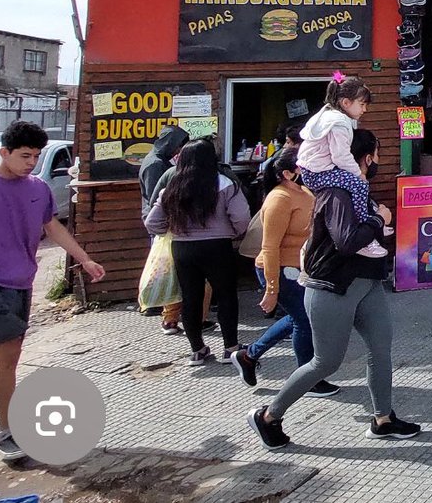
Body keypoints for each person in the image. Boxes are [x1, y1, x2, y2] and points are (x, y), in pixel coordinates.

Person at [249, 130, 421, 449]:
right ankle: (268, 416)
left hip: (366, 283)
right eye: (378, 152)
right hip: (332, 287)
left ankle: (383, 419)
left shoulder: (355, 188)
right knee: (325, 362)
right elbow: (346, 242)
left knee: (380, 349)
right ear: (367, 157)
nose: (380, 159)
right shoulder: (337, 191)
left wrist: (379, 230)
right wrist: (379, 221)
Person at [0, 121, 106, 460]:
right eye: (24, 155)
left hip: (22, 283)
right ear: (4, 153)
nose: (30, 162)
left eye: (36, 156)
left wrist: (84, 259)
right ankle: (10, 434)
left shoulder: (38, 188)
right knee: (8, 359)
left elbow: (51, 225)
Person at [233, 149, 339, 398]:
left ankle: (249, 355)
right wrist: (272, 289)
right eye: (304, 166)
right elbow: (269, 248)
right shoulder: (279, 199)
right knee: (304, 320)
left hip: (301, 269)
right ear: (288, 174)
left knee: (300, 318)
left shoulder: (304, 191)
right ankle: (307, 379)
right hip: (280, 270)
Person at [146, 139, 250, 364]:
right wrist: (232, 232)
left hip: (182, 248)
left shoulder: (172, 187)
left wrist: (173, 230)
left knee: (191, 297)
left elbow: (152, 223)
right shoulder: (224, 183)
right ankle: (230, 347)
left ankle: (197, 350)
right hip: (217, 247)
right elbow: (241, 217)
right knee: (226, 296)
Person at [297, 74, 387, 259]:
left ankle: (375, 223)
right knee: (360, 185)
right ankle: (366, 236)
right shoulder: (339, 122)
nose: (365, 109)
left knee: (358, 187)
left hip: (313, 171)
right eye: (362, 104)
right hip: (319, 173)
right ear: (346, 102)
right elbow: (340, 156)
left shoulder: (328, 115)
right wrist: (357, 173)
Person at [137, 125, 210, 335]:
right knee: (172, 273)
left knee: (173, 274)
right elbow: (157, 198)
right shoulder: (156, 165)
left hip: (167, 225)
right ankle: (171, 317)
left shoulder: (160, 162)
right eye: (179, 145)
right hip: (165, 227)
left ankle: (171, 318)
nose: (180, 150)